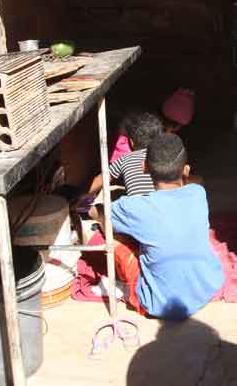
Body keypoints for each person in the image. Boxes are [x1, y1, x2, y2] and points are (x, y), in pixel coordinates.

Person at [92, 133, 225, 319]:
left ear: (144, 168)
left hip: (158, 304)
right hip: (208, 286)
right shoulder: (198, 193)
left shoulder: (133, 207)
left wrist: (92, 210)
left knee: (108, 235)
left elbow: (101, 215)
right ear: (186, 170)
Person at [80, 111, 162, 213]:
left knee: (98, 210)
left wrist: (78, 198)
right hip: (162, 211)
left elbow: (100, 180)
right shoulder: (164, 158)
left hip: (137, 218)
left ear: (131, 142)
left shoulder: (125, 158)